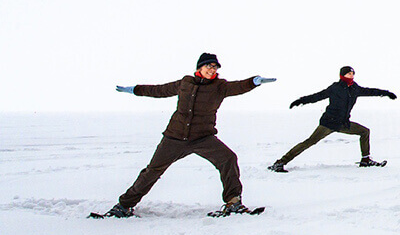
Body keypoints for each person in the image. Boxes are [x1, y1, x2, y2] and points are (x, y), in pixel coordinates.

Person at [96, 53, 275, 218]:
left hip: (203, 137)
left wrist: (254, 81)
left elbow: (238, 86)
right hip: (174, 137)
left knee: (228, 158)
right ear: (199, 67)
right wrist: (135, 89)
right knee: (152, 171)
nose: (212, 70)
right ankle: (123, 206)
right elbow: (159, 90)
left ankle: (233, 202)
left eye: (215, 67)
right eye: (209, 66)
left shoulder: (220, 87)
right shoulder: (185, 83)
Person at [268, 66, 396, 172]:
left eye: (352, 73)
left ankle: (366, 159)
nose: (351, 75)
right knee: (310, 142)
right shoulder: (335, 88)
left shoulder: (355, 88)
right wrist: (301, 101)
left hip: (343, 123)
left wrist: (386, 93)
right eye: (348, 73)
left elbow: (370, 91)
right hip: (329, 122)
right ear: (342, 75)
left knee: (364, 131)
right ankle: (280, 162)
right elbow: (318, 96)